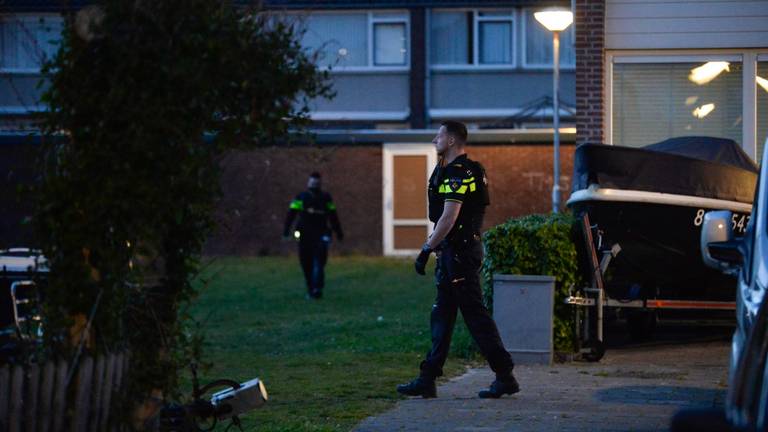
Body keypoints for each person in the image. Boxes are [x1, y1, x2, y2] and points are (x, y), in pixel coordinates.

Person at [397, 121, 519, 399]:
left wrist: (427, 248)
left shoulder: (459, 173)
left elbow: (449, 217)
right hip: (452, 254)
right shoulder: (450, 170)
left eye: (438, 136)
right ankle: (427, 378)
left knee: (475, 316)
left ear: (451, 141)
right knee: (441, 315)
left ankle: (505, 376)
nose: (433, 140)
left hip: (461, 256)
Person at [283, 172, 343, 299]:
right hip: (303, 234)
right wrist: (287, 230)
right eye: (312, 183)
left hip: (321, 233)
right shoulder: (301, 197)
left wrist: (338, 231)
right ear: (308, 183)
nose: (314, 185)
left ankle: (317, 288)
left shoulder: (326, 197)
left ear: (320, 183)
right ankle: (311, 288)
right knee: (306, 262)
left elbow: (333, 215)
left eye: (316, 183)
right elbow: (291, 213)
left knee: (320, 261)